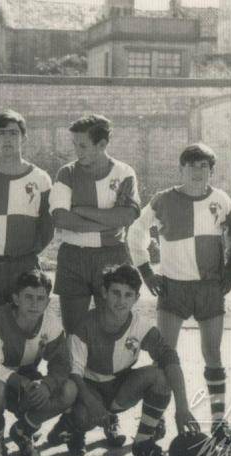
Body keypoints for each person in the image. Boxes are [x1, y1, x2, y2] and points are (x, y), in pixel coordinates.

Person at [127, 142, 231, 448]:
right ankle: (155, 421)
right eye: (191, 165)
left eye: (204, 166)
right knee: (165, 356)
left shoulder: (221, 199)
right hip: (173, 287)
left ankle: (219, 422)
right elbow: (136, 232)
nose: (197, 171)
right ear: (181, 169)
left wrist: (230, 272)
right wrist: (146, 272)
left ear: (211, 171)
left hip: (208, 288)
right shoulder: (164, 199)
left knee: (213, 353)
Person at [49, 265, 200, 456]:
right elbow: (75, 374)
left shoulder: (140, 325)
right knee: (83, 417)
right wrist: (93, 404)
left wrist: (182, 407)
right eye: (116, 293)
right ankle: (71, 424)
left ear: (136, 298)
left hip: (120, 388)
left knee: (161, 376)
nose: (121, 301)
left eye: (128, 295)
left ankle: (143, 442)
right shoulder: (84, 325)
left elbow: (170, 358)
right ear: (104, 292)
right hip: (89, 388)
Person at [49, 114, 140, 334]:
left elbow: (126, 217)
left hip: (112, 255)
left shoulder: (124, 172)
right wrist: (108, 222)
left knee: (113, 326)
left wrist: (81, 210)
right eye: (74, 145)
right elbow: (61, 218)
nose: (77, 151)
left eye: (83, 146)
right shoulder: (67, 172)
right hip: (73, 256)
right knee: (74, 330)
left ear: (102, 144)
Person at [0, 270, 76, 456]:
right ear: (16, 298)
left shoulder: (51, 322)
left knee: (69, 390)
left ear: (47, 302)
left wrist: (47, 385)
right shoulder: (0, 317)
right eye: (28, 297)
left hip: (28, 380)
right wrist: (19, 381)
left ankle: (24, 430)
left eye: (40, 298)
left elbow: (62, 363)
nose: (34, 304)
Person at [0, 110, 53, 323]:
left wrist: (26, 253)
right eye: (1, 133)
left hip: (25, 262)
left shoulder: (41, 179)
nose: (7, 139)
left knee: (25, 325)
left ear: (24, 138)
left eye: (13, 133)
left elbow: (47, 225)